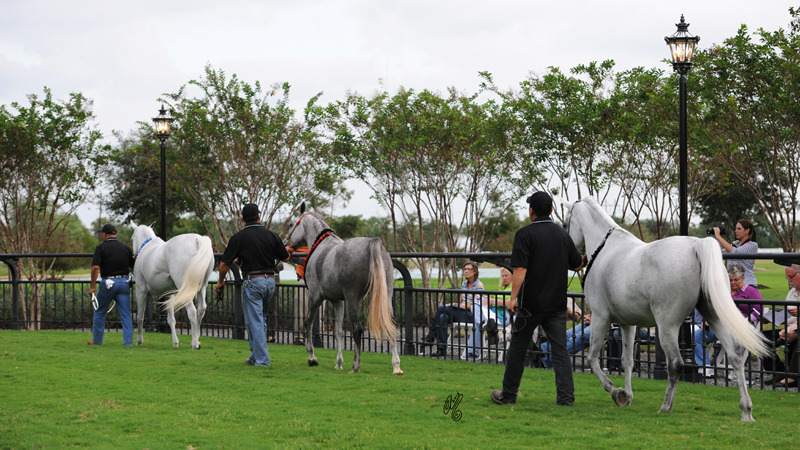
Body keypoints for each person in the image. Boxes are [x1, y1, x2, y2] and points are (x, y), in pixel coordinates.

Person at [491, 192, 584, 406]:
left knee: (517, 348)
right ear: (551, 210)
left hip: (530, 305)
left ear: (531, 210)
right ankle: (566, 398)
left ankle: (508, 395)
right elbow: (577, 263)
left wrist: (513, 298)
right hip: (557, 305)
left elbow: (520, 270)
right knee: (560, 351)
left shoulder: (524, 234)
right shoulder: (562, 235)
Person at [215, 204, 291, 367]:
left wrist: (220, 282)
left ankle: (262, 361)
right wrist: (287, 249)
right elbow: (284, 257)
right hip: (270, 281)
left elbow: (223, 265)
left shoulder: (238, 238)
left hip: (253, 281)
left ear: (243, 219)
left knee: (254, 322)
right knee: (259, 320)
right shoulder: (271, 235)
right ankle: (255, 357)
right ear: (259, 215)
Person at [693, 262, 762, 378]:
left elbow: (759, 310)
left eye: (736, 280)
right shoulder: (723, 291)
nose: (733, 283)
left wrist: (746, 320)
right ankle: (705, 367)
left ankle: (737, 369)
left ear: (743, 278)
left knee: (741, 337)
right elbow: (714, 308)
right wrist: (709, 320)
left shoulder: (751, 291)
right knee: (697, 337)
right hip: (721, 326)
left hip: (742, 325)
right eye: (730, 280)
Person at [423, 261, 483, 357]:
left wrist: (458, 306)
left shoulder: (479, 286)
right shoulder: (464, 284)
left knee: (440, 308)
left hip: (471, 314)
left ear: (475, 271)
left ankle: (431, 335)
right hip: (460, 312)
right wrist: (455, 305)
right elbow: (461, 302)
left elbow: (475, 305)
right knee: (442, 317)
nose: (466, 271)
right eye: (465, 269)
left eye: (469, 269)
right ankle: (441, 349)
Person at [88, 223, 135, 346]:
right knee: (125, 313)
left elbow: (95, 268)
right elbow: (133, 264)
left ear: (104, 235)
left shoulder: (101, 248)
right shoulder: (126, 248)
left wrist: (92, 287)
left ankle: (97, 341)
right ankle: (128, 342)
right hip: (124, 282)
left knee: (99, 311)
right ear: (115, 234)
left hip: (108, 283)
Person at [761, 264, 800, 385]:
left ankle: (793, 376)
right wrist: (772, 319)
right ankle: (779, 372)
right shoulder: (792, 293)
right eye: (787, 277)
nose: (789, 280)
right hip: (789, 326)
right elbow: (788, 315)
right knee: (760, 337)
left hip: (796, 329)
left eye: (791, 277)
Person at [463, 267, 513, 360]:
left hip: (504, 316)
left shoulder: (515, 288)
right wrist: (487, 300)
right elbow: (493, 301)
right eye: (503, 276)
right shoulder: (502, 287)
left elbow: (512, 303)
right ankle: (484, 322)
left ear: (513, 276)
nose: (504, 278)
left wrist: (494, 300)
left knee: (477, 324)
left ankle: (472, 353)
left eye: (506, 276)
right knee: (475, 306)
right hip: (493, 314)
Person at [713, 219, 758, 287]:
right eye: (736, 228)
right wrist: (719, 239)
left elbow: (735, 252)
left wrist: (719, 237)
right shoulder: (735, 244)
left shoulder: (752, 245)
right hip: (733, 284)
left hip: (747, 284)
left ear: (747, 230)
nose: (736, 231)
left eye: (739, 229)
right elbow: (720, 254)